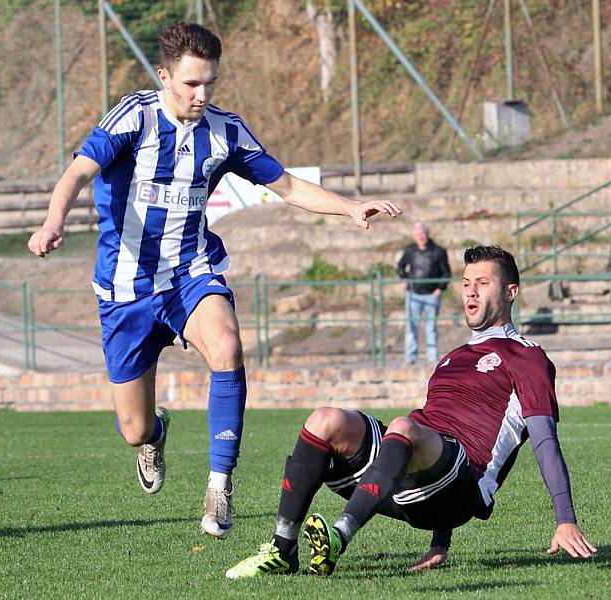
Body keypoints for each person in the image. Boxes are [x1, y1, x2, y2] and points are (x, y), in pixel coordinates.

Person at [27, 21, 401, 538]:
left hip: (191, 273)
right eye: (191, 85)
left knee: (228, 347)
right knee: (133, 428)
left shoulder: (226, 130)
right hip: (125, 290)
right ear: (164, 76)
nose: (202, 95)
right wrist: (54, 220)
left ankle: (219, 485)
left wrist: (349, 207)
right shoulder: (133, 117)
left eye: (210, 84)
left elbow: (288, 184)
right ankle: (155, 434)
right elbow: (78, 173)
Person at [226, 245, 596, 578]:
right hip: (413, 476)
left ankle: (337, 538)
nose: (470, 290)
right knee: (325, 420)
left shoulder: (527, 356)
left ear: (510, 292)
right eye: (467, 282)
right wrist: (440, 543)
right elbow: (434, 431)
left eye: (482, 283)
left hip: (460, 487)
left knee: (405, 425)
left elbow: (544, 440)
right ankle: (282, 549)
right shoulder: (453, 358)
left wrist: (565, 520)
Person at [397, 222, 450, 365]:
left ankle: (432, 358)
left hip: (431, 294)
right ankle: (410, 357)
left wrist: (440, 288)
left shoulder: (438, 251)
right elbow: (400, 266)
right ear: (414, 236)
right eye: (418, 234)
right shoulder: (410, 250)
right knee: (411, 327)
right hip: (413, 293)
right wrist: (404, 279)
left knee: (431, 327)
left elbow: (446, 272)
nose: (421, 237)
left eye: (423, 234)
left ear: (428, 234)